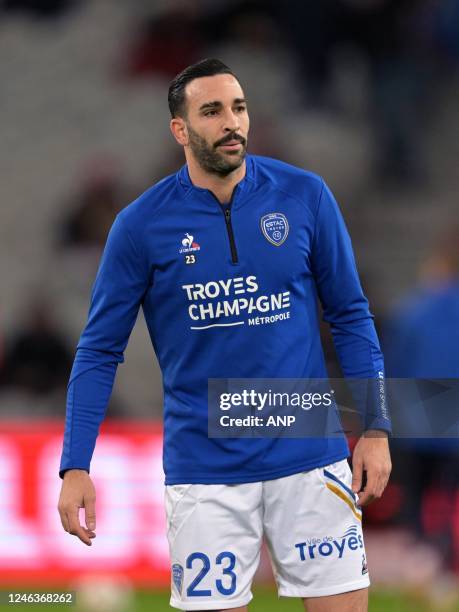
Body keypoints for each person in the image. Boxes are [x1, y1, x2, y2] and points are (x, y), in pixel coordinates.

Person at [57, 59, 392, 612]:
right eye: (212, 111)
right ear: (180, 130)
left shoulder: (304, 196)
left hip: (310, 455)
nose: (232, 122)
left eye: (238, 107)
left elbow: (352, 315)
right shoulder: (140, 227)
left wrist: (376, 427)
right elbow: (98, 351)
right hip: (204, 472)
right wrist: (76, 464)